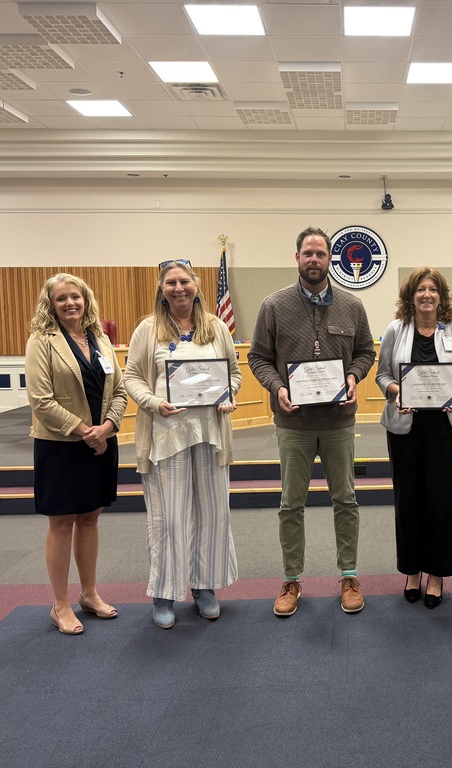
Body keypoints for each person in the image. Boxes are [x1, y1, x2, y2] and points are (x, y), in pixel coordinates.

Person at [248, 226, 376, 617]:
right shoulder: (273, 305)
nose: (314, 260)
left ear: (330, 259)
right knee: (291, 503)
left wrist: (353, 376)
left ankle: (350, 575)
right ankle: (291, 579)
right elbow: (258, 358)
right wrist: (277, 387)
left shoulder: (353, 306)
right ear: (298, 258)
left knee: (346, 500)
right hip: (294, 424)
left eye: (321, 254)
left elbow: (366, 351)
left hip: (338, 422)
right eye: (308, 253)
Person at [123, 259, 241, 629]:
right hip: (166, 435)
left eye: (184, 281)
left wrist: (228, 396)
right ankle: (164, 593)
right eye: (171, 282)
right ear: (162, 288)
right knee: (169, 518)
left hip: (209, 434)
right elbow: (132, 378)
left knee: (212, 514)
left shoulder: (216, 327)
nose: (179, 288)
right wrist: (155, 403)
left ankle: (204, 587)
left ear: (196, 284)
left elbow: (233, 375)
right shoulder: (148, 330)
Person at [26, 273, 127, 635]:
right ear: (50, 305)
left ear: (86, 300)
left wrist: (108, 428)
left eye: (76, 297)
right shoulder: (42, 340)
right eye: (61, 298)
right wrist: (86, 431)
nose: (70, 303)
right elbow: (41, 400)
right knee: (62, 522)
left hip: (102, 441)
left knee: (90, 518)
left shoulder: (100, 338)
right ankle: (61, 604)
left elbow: (119, 389)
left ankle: (89, 594)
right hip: (61, 445)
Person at [376, 267, 452, 609]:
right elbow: (383, 374)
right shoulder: (396, 329)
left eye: (433, 289)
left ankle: (437, 574)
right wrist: (395, 392)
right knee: (409, 501)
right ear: (411, 296)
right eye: (420, 289)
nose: (427, 294)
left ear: (441, 296)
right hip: (405, 429)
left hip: (445, 429)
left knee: (442, 502)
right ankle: (413, 571)